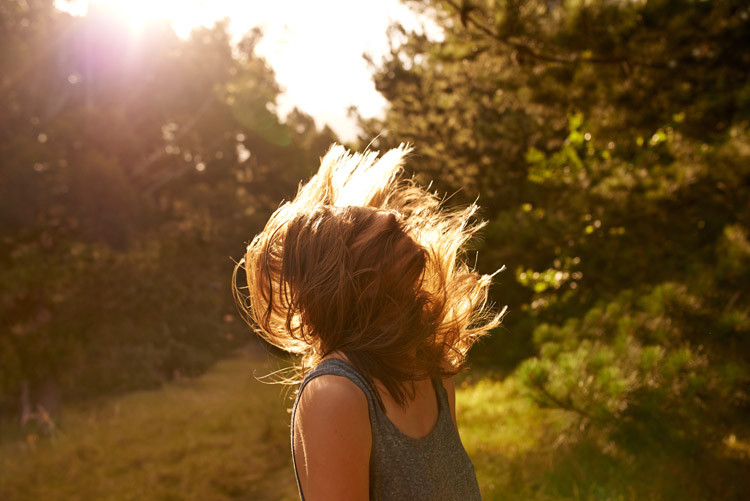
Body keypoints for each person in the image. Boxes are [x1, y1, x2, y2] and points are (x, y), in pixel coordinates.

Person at [233, 143, 504, 500]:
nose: (393, 217)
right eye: (359, 229)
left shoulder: (432, 371)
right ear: (344, 280)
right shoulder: (335, 394)